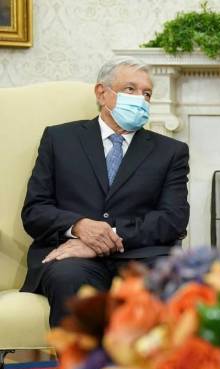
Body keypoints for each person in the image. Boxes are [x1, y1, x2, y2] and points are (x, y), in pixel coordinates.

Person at [21, 57, 190, 327]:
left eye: (147, 93)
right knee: (69, 278)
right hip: (71, 257)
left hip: (141, 255)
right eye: (130, 89)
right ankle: (80, 356)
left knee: (165, 281)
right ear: (102, 93)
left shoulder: (171, 152)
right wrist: (79, 227)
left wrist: (106, 237)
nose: (140, 99)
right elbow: (35, 211)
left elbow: (172, 219)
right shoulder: (59, 139)